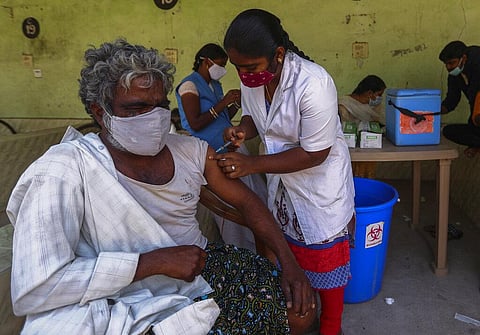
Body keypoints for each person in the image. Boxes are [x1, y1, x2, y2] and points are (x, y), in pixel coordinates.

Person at [7, 39, 316, 335]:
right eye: (137, 107)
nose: (153, 118)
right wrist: (152, 262)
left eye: (159, 105)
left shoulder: (190, 151)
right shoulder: (66, 168)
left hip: (201, 270)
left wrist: (290, 264)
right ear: (101, 112)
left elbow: (248, 203)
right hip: (125, 290)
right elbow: (37, 287)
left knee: (301, 313)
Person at [217, 9, 355, 335]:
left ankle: (331, 326)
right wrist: (241, 131)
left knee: (326, 265)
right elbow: (255, 119)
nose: (243, 74)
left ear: (278, 54)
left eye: (250, 67)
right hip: (284, 187)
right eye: (237, 67)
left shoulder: (314, 83)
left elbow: (315, 152)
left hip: (318, 187)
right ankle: (301, 314)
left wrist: (252, 164)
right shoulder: (254, 78)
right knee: (289, 255)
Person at [175, 43, 267, 252]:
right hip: (211, 152)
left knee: (253, 196)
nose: (222, 70)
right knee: (230, 206)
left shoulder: (214, 86)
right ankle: (240, 249)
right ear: (206, 62)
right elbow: (196, 122)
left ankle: (257, 245)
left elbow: (222, 118)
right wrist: (224, 102)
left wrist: (234, 103)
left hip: (229, 146)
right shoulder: (189, 85)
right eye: (220, 65)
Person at [338, 75, 386, 178]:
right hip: (349, 149)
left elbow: (381, 123)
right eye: (379, 94)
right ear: (369, 93)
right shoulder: (344, 104)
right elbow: (344, 128)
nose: (380, 98)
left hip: (370, 146)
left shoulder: (374, 106)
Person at [438, 40, 480, 157]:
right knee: (448, 131)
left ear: (464, 58)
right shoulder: (455, 74)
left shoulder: (477, 65)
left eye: (451, 63)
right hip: (476, 119)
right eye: (446, 64)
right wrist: (432, 112)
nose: (448, 68)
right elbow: (452, 99)